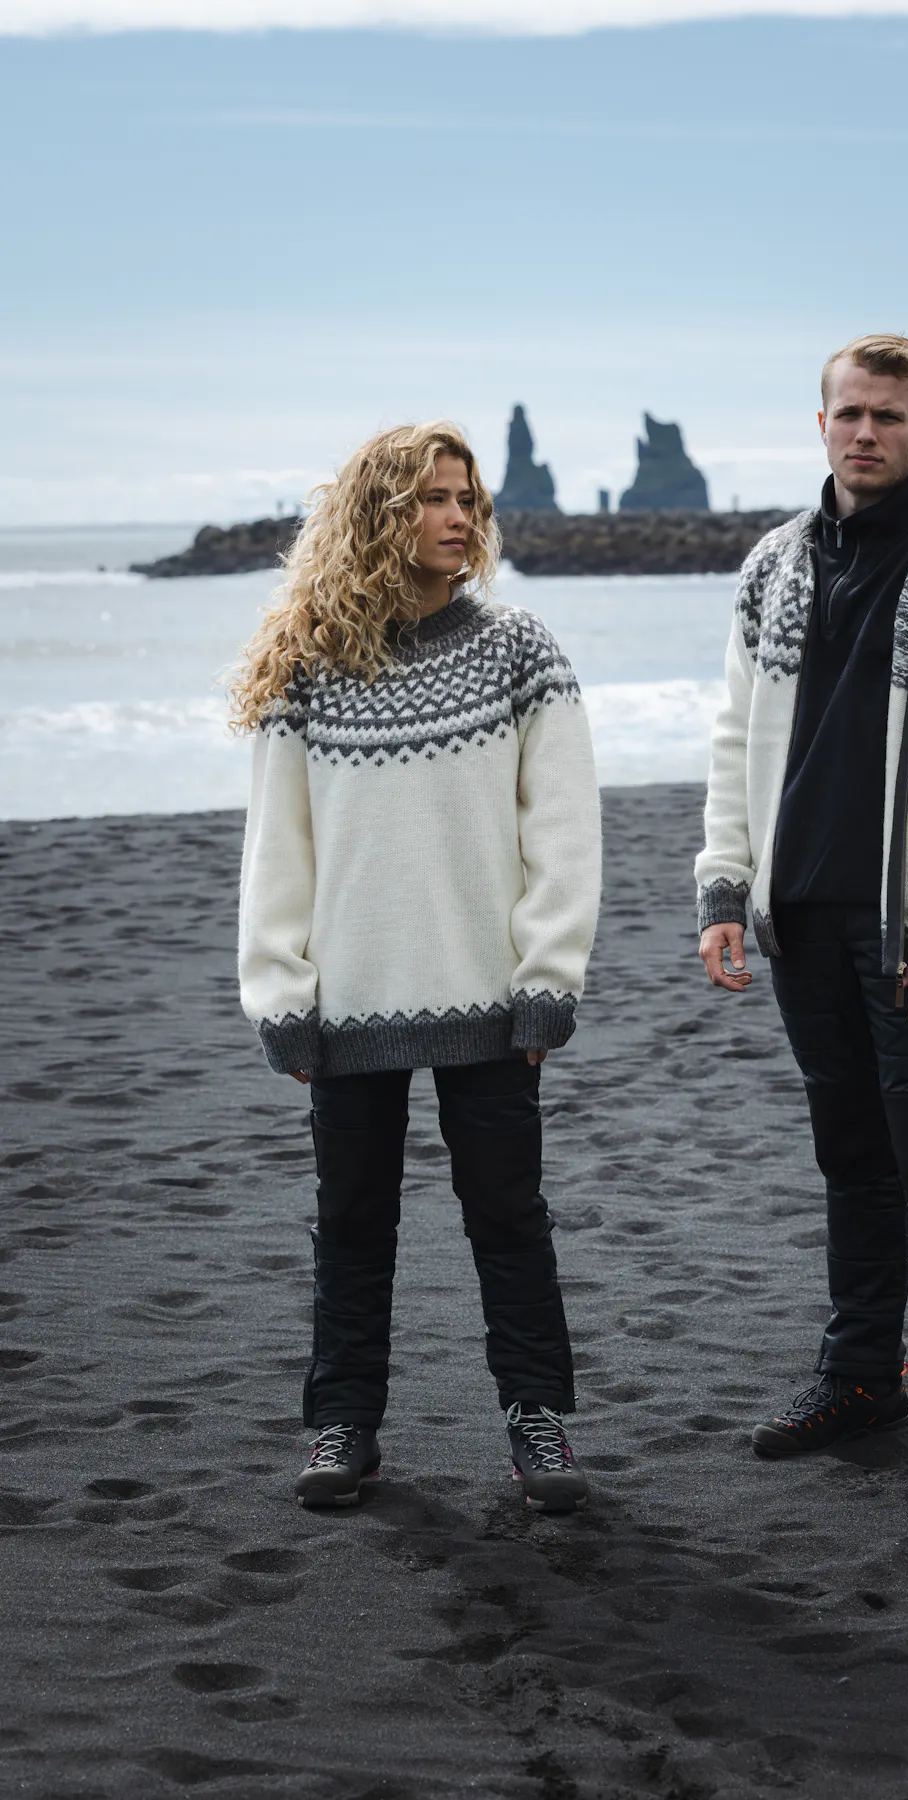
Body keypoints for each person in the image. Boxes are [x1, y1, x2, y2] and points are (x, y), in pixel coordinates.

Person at [695, 336, 908, 1510]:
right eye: (850, 413)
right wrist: (724, 886)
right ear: (822, 421)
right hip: (799, 918)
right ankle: (861, 1381)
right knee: (850, 1159)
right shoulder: (774, 565)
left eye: (890, 416)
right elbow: (737, 738)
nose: (866, 433)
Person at [232, 422, 601, 1514]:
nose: (459, 517)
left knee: (508, 1211)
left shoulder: (521, 649)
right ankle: (344, 1424)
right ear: (380, 515)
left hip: (493, 998)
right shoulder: (305, 668)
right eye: (435, 498)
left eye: (467, 498)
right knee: (351, 1216)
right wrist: (280, 996)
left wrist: (550, 977)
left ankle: (538, 1420)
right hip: (349, 1000)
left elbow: (564, 831)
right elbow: (277, 848)